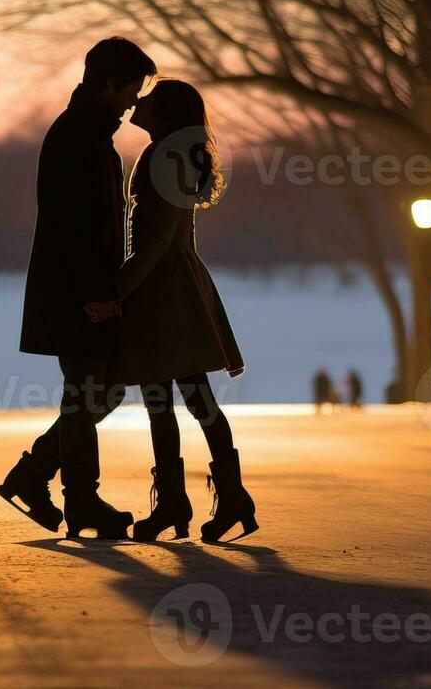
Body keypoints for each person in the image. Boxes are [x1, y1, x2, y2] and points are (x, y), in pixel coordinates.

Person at [0, 37, 156, 540]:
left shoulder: (87, 134)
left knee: (96, 393)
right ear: (108, 83)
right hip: (78, 294)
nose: (134, 101)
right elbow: (72, 224)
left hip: (80, 290)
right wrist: (97, 293)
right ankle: (79, 501)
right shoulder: (76, 138)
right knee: (91, 391)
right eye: (131, 89)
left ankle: (36, 477)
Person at [93, 80, 257, 544]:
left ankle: (190, 501)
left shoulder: (164, 157)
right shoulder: (172, 153)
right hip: (168, 288)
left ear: (164, 114)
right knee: (178, 398)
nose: (137, 101)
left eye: (149, 98)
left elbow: (156, 240)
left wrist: (117, 292)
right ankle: (208, 499)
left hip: (163, 293)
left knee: (174, 398)